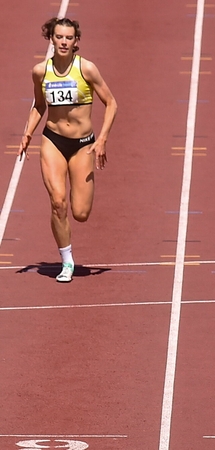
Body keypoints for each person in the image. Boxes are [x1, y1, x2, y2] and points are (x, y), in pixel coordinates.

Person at [17, 17, 118, 283]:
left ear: (76, 41)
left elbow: (111, 103)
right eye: (59, 37)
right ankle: (67, 261)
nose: (63, 41)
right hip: (53, 140)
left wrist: (102, 139)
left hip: (83, 144)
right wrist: (27, 133)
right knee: (57, 202)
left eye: (68, 38)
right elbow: (39, 106)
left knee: (80, 213)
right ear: (51, 39)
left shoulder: (87, 69)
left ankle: (69, 254)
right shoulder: (40, 71)